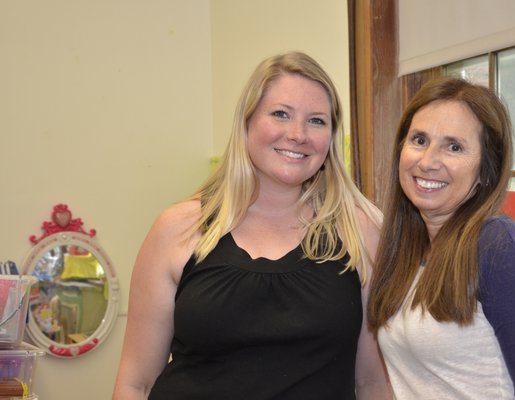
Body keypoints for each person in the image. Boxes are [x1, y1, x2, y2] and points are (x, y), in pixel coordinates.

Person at [113, 51, 391, 399]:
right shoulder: (178, 229)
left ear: (331, 137)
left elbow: (374, 383)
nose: (298, 134)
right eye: (280, 114)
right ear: (247, 124)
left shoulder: (361, 231)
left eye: (317, 121)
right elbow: (135, 383)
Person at [367, 77, 515, 399]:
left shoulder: (500, 245)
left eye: (454, 147)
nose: (428, 161)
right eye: (419, 140)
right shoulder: (406, 249)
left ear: (486, 170)